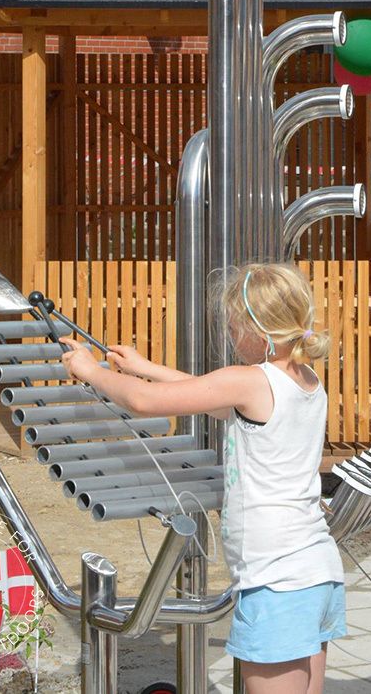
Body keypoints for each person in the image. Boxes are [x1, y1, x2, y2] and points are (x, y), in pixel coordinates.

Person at [60, 261, 345, 694]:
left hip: (277, 581)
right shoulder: (304, 379)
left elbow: (143, 401)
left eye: (233, 327)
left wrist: (90, 371)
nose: (230, 337)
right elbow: (205, 392)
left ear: (257, 329)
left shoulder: (251, 381)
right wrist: (144, 365)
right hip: (316, 571)